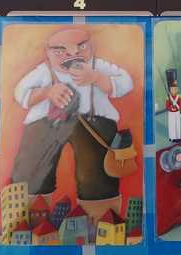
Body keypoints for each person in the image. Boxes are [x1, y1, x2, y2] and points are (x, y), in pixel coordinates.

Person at [11, 27, 137, 223]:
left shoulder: (97, 66)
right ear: (47, 52)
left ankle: (101, 219)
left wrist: (97, 77)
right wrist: (47, 92)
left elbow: (126, 83)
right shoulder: (44, 71)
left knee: (95, 173)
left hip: (93, 121)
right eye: (60, 51)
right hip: (47, 122)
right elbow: (20, 93)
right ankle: (30, 217)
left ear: (91, 47)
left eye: (81, 48)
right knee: (33, 167)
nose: (72, 55)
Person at [164, 68, 181, 142]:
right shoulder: (168, 98)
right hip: (171, 113)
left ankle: (178, 137)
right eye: (172, 89)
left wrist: (180, 112)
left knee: (177, 125)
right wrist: (171, 107)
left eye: (175, 89)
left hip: (177, 112)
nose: (174, 90)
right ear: (170, 89)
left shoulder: (179, 96)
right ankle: (172, 137)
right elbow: (167, 106)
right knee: (172, 125)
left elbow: (180, 105)